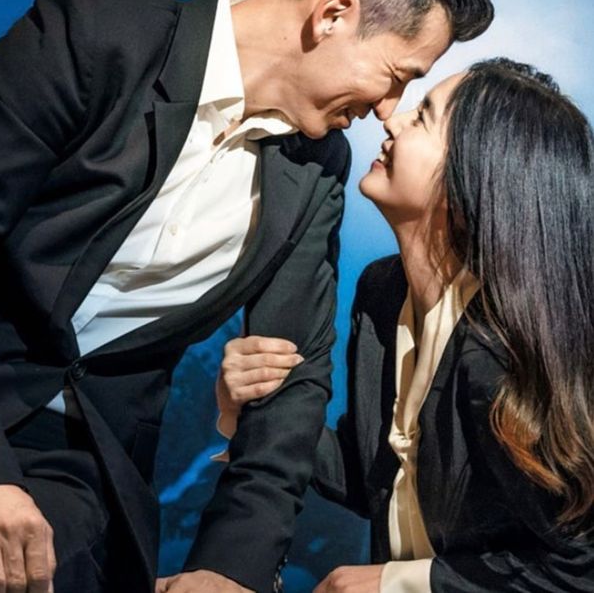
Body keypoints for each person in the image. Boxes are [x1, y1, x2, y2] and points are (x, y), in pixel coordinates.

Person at [0, 0, 493, 592]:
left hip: (78, 470)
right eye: (396, 77)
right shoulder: (88, 34)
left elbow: (295, 378)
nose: (387, 109)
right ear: (332, 15)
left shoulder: (318, 165)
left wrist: (230, 568)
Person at [217, 58, 594, 592]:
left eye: (422, 118)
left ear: (475, 176)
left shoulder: (508, 350)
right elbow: (374, 479)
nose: (391, 121)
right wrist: (249, 411)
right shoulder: (381, 292)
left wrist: (402, 583)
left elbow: (579, 565)